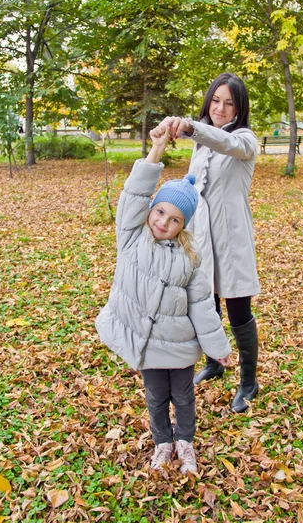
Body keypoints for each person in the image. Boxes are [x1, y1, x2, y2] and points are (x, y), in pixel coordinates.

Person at [95, 127, 231, 474]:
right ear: (151, 210)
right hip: (148, 346)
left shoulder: (190, 256)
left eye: (174, 220)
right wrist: (156, 150)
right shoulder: (131, 236)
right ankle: (162, 443)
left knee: (183, 397)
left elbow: (202, 304)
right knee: (156, 398)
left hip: (180, 345)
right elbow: (133, 194)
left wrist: (217, 345)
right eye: (160, 213)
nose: (163, 222)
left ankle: (185, 442)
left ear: (183, 225)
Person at [156, 72, 261, 413]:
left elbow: (226, 143)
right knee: (207, 303)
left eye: (229, 103)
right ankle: (215, 362)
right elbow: (193, 186)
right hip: (201, 238)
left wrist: (190, 126)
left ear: (239, 108)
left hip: (231, 240)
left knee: (238, 310)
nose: (220, 107)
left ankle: (249, 382)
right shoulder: (201, 144)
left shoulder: (246, 140)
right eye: (216, 100)